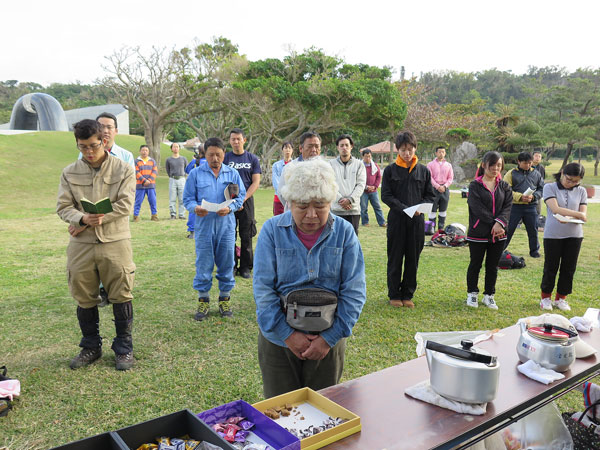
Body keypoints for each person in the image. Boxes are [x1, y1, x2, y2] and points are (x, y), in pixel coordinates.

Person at [253, 158, 366, 398]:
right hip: (278, 341)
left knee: (324, 410)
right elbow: (263, 291)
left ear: (331, 202)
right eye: (302, 206)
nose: (311, 215)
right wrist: (288, 335)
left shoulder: (345, 233)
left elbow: (354, 291)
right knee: (280, 410)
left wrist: (328, 339)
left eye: (320, 205)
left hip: (329, 341)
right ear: (289, 202)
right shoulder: (271, 231)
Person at [56, 119, 136, 370]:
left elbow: (125, 205)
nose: (89, 152)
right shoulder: (69, 172)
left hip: (115, 240)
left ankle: (124, 348)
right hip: (82, 244)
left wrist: (92, 220)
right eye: (82, 147)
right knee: (84, 295)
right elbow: (63, 207)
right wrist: (80, 218)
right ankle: (91, 346)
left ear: (103, 140)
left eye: (93, 145)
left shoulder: (123, 169)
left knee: (121, 293)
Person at [183, 137, 246, 320]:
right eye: (211, 155)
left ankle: (225, 300)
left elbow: (239, 197)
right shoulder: (196, 174)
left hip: (226, 226)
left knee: (227, 263)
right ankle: (203, 301)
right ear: (205, 154)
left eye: (218, 154)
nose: (215, 158)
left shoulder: (232, 174)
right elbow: (188, 199)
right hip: (204, 226)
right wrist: (195, 208)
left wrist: (231, 208)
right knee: (203, 264)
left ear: (223, 154)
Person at [381, 131, 436, 308]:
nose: (407, 153)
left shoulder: (423, 170)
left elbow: (430, 195)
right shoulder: (390, 170)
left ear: (415, 148)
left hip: (417, 222)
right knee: (395, 257)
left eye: (410, 149)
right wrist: (405, 209)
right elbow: (386, 196)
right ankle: (394, 294)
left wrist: (421, 208)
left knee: (413, 258)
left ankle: (407, 294)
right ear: (397, 150)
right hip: (397, 220)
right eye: (403, 149)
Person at [465, 151, 513, 310]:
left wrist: (500, 223)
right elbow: (476, 208)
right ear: (484, 165)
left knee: (493, 265)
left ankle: (489, 296)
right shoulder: (475, 186)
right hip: (478, 232)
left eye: (499, 165)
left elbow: (507, 207)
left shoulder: (505, 186)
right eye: (492, 164)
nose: (496, 168)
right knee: (475, 264)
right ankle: (472, 293)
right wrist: (494, 223)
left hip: (499, 234)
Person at [539, 163, 587, 311]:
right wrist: (578, 214)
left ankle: (561, 298)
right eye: (569, 179)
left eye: (576, 181)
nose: (572, 183)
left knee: (569, 268)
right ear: (562, 173)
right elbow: (555, 209)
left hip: (574, 235)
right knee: (551, 267)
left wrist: (578, 215)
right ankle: (545, 298)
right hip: (553, 234)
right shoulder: (549, 187)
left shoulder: (582, 191)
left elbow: (583, 214)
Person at [224, 128, 261, 279]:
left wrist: (242, 199)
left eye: (239, 139)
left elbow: (256, 182)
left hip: (246, 201)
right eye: (233, 139)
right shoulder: (226, 158)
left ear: (244, 140)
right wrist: (231, 201)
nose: (236, 141)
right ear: (230, 141)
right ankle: (231, 266)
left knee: (246, 235)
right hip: (228, 200)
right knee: (229, 235)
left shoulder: (252, 159)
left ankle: (245, 268)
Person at [503, 152, 544, 257]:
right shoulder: (511, 173)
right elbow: (506, 190)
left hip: (531, 207)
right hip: (515, 206)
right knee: (509, 229)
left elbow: (541, 188)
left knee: (533, 230)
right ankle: (500, 249)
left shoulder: (536, 173)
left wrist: (534, 196)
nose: (528, 165)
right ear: (519, 162)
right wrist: (520, 197)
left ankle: (534, 251)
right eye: (525, 163)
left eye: (530, 163)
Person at [329, 134, 366, 234]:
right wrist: (341, 200)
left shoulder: (359, 164)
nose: (344, 148)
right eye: (341, 145)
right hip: (336, 210)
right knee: (335, 241)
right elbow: (329, 185)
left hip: (353, 210)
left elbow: (361, 185)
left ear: (351, 146)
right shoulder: (330, 164)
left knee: (352, 242)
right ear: (337, 148)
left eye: (346, 145)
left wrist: (350, 200)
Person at [276, 131, 323, 209]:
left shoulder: (326, 168)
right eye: (310, 146)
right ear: (301, 148)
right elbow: (281, 194)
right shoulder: (290, 168)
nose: (314, 150)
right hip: (294, 214)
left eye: (317, 146)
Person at [426, 146, 454, 231]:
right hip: (433, 189)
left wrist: (444, 186)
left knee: (443, 209)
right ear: (436, 153)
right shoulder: (430, 165)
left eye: (443, 152)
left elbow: (450, 178)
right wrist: (438, 186)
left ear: (445, 153)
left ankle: (441, 228)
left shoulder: (448, 165)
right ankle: (431, 228)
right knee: (432, 210)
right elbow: (429, 177)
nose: (441, 153)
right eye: (439, 152)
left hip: (445, 189)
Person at [359, 148, 386, 228]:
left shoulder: (375, 166)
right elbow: (357, 178)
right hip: (363, 191)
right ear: (362, 157)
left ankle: (382, 222)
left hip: (373, 191)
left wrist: (375, 186)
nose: (368, 158)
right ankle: (365, 222)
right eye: (366, 156)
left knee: (377, 207)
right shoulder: (360, 166)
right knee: (363, 208)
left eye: (369, 156)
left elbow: (378, 176)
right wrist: (366, 187)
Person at [184, 145, 206, 239]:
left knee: (194, 209)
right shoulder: (210, 162)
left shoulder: (195, 162)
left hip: (195, 188)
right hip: (208, 189)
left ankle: (192, 231)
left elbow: (187, 170)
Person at [133, 144, 159, 222]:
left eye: (146, 150)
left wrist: (149, 180)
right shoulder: (136, 161)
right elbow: (136, 172)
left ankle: (154, 216)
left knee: (153, 201)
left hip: (151, 185)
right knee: (138, 201)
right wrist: (144, 180)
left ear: (148, 151)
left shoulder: (152, 161)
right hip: (140, 185)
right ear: (140, 151)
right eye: (143, 150)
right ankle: (136, 216)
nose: (144, 152)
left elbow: (154, 171)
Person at [165, 142, 188, 220]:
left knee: (182, 198)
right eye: (174, 147)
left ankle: (182, 214)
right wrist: (171, 176)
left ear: (179, 148)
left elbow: (186, 168)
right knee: (172, 198)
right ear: (171, 149)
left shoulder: (183, 159)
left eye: (177, 147)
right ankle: (173, 214)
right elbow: (168, 170)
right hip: (172, 179)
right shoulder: (169, 159)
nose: (176, 148)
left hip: (182, 179)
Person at [271, 141, 294, 215]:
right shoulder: (276, 165)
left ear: (292, 150)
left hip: (292, 199)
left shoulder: (296, 165)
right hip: (278, 198)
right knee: (278, 220)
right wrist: (283, 194)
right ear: (282, 150)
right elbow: (276, 183)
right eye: (285, 148)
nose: (287, 150)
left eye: (289, 148)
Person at [532, 150, 546, 226]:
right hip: (527, 190)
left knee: (538, 208)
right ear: (532, 157)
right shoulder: (528, 166)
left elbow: (542, 180)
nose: (538, 158)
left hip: (537, 191)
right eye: (536, 156)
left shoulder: (541, 168)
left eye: (539, 156)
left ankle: (536, 223)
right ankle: (519, 223)